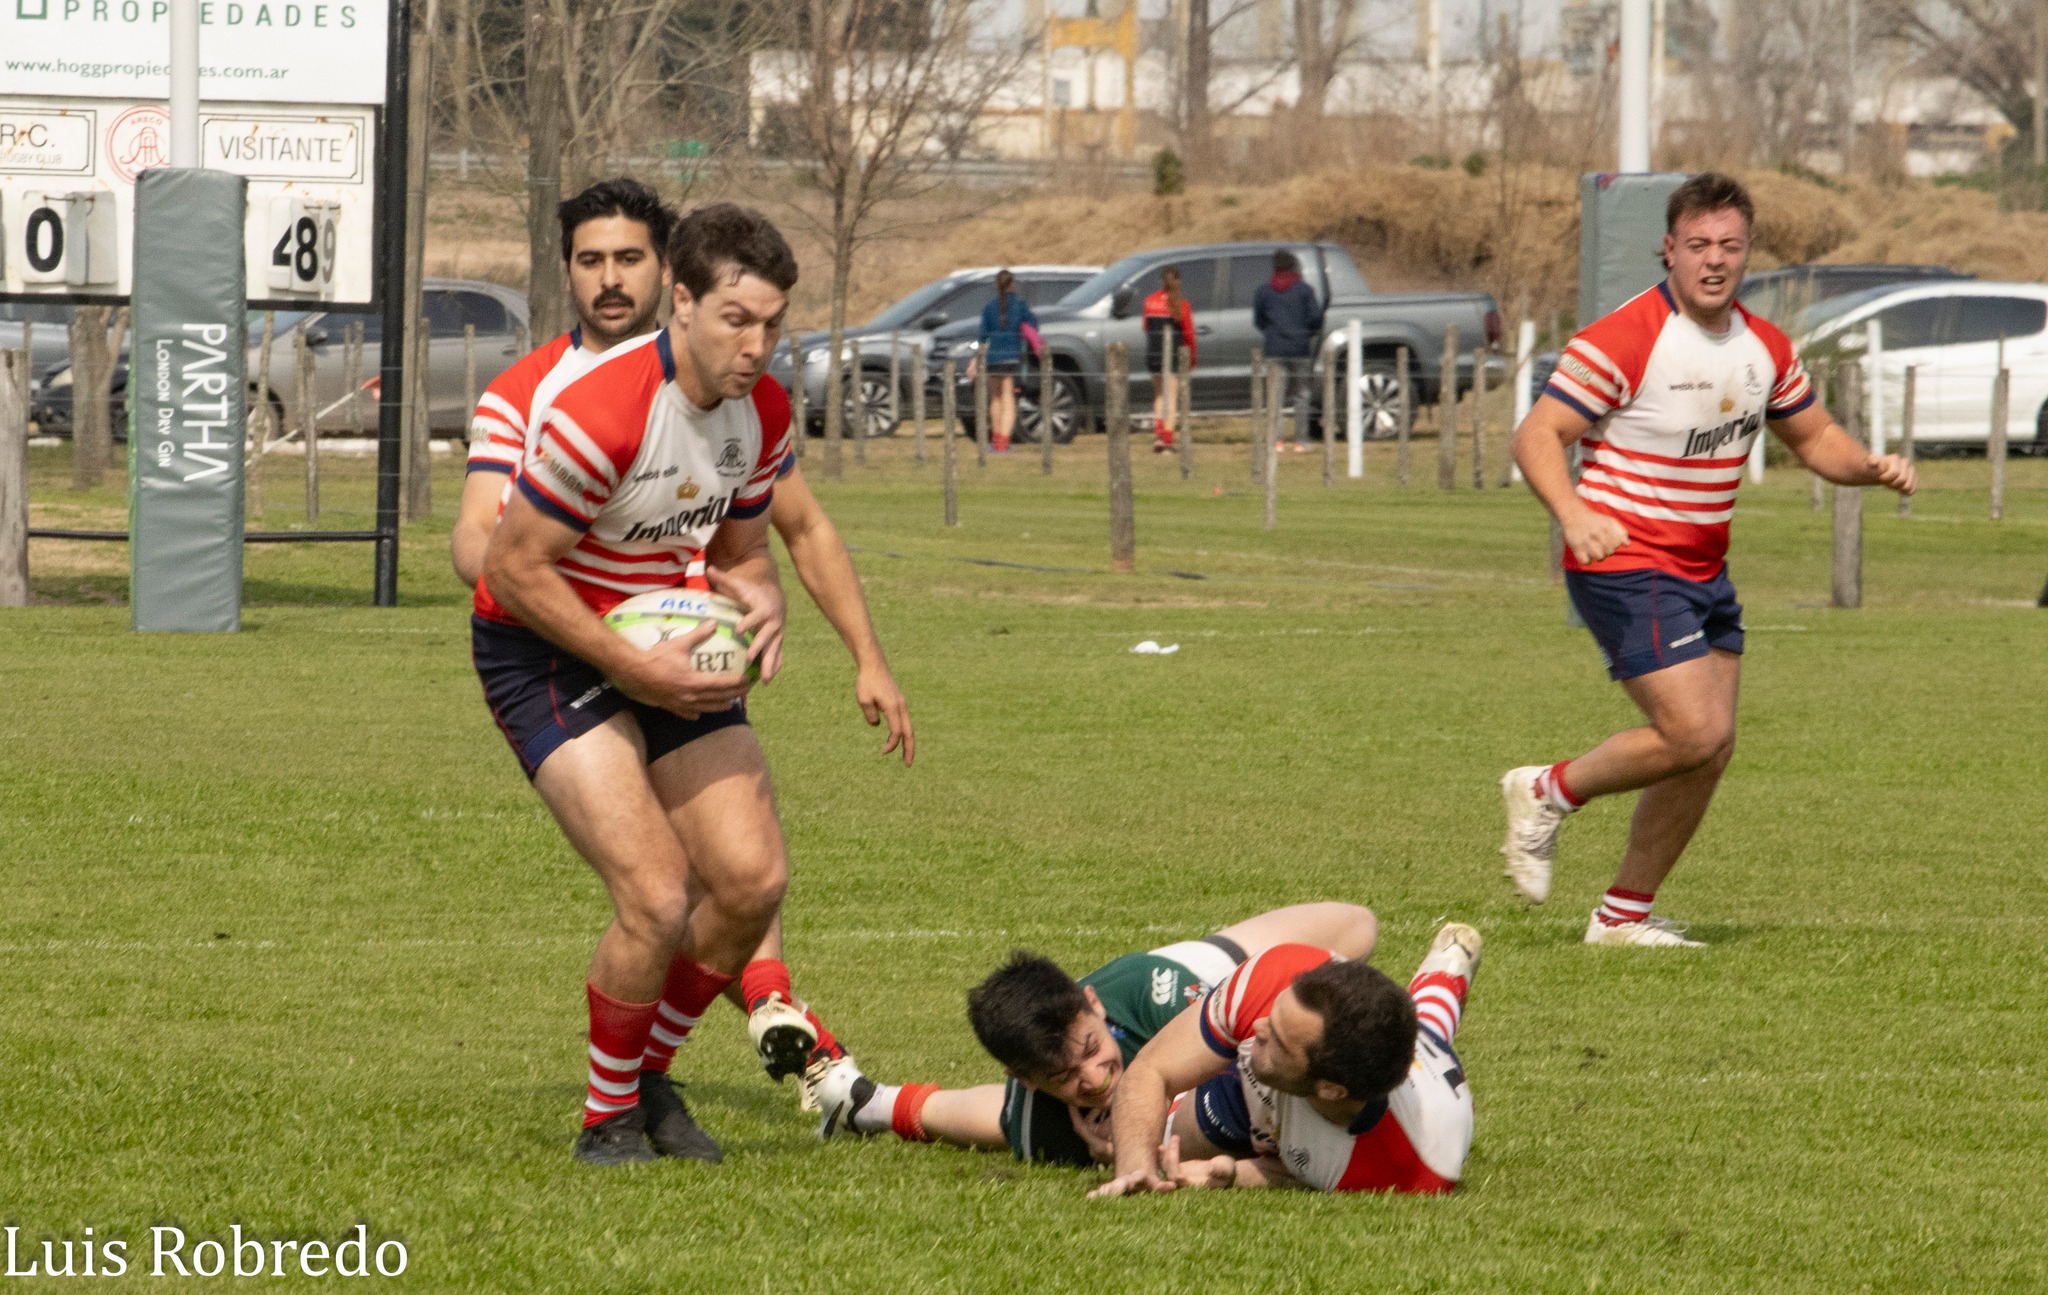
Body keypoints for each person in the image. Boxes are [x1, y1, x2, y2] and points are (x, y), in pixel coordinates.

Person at [453, 183, 914, 1129]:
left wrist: (762, 591)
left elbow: (747, 549)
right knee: (658, 895)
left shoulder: (762, 409)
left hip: (665, 639)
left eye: (773, 325)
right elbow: (506, 567)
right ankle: (607, 1116)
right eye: (737, 320)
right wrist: (630, 668)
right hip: (541, 645)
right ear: (686, 304)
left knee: (751, 880)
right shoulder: (602, 410)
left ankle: (647, 1075)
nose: (756, 345)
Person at [1502, 172, 1915, 947]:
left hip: (1702, 570)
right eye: (1698, 245)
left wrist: (1868, 466)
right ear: (1670, 249)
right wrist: (1574, 513)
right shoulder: (1627, 337)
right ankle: (1547, 789)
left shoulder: (1765, 348)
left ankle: (1621, 916)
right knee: (1692, 730)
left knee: (1709, 748)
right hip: (1626, 561)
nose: (1714, 260)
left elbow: (1814, 437)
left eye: (1729, 245)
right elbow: (1536, 435)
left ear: (1748, 251)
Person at [813, 903, 1380, 1163]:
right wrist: (1124, 1150)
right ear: (1027, 1079)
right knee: (1002, 1126)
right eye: (1063, 1076)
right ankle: (867, 1102)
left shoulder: (1151, 992)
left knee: (1360, 929)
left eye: (1091, 1048)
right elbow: (988, 1118)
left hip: (1220, 970)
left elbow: (1254, 1068)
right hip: (1050, 1090)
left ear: (1093, 1004)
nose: (1093, 1078)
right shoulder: (1040, 1118)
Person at [1090, 924, 1481, 1195]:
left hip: (1426, 1083)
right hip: (1299, 1079)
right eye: (1274, 1014)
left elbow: (1308, 1170)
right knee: (1423, 1021)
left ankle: (1443, 980)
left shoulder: (1412, 1167)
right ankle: (1447, 969)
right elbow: (1151, 1069)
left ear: (1331, 1089)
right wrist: (1135, 1169)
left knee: (1428, 1030)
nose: (1257, 1028)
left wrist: (1233, 1173)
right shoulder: (1276, 977)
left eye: (1277, 1038)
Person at [1252, 250, 1324, 451]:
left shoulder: (1264, 291)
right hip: (1300, 348)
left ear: (1274, 267)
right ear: (1293, 266)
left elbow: (1258, 320)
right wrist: (1306, 331)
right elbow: (1316, 318)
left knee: (1275, 396)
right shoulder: (1304, 290)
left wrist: (1271, 332)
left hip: (1274, 349)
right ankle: (1301, 441)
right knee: (1301, 395)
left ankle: (1277, 441)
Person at [974, 269, 1038, 453]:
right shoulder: (1019, 305)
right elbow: (1033, 325)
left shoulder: (989, 308)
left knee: (995, 399)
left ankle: (995, 442)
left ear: (996, 285)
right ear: (1012, 285)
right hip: (1011, 357)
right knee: (1009, 400)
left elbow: (983, 336)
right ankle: (1003, 443)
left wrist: (976, 358)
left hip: (993, 358)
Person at [1143, 266, 1197, 454]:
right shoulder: (1182, 305)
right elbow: (1189, 335)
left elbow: (1146, 327)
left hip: (1153, 353)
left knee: (1159, 395)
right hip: (1173, 355)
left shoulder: (1149, 302)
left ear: (1161, 281)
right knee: (1172, 399)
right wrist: (1192, 358)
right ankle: (1167, 441)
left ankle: (1158, 437)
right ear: (1178, 282)